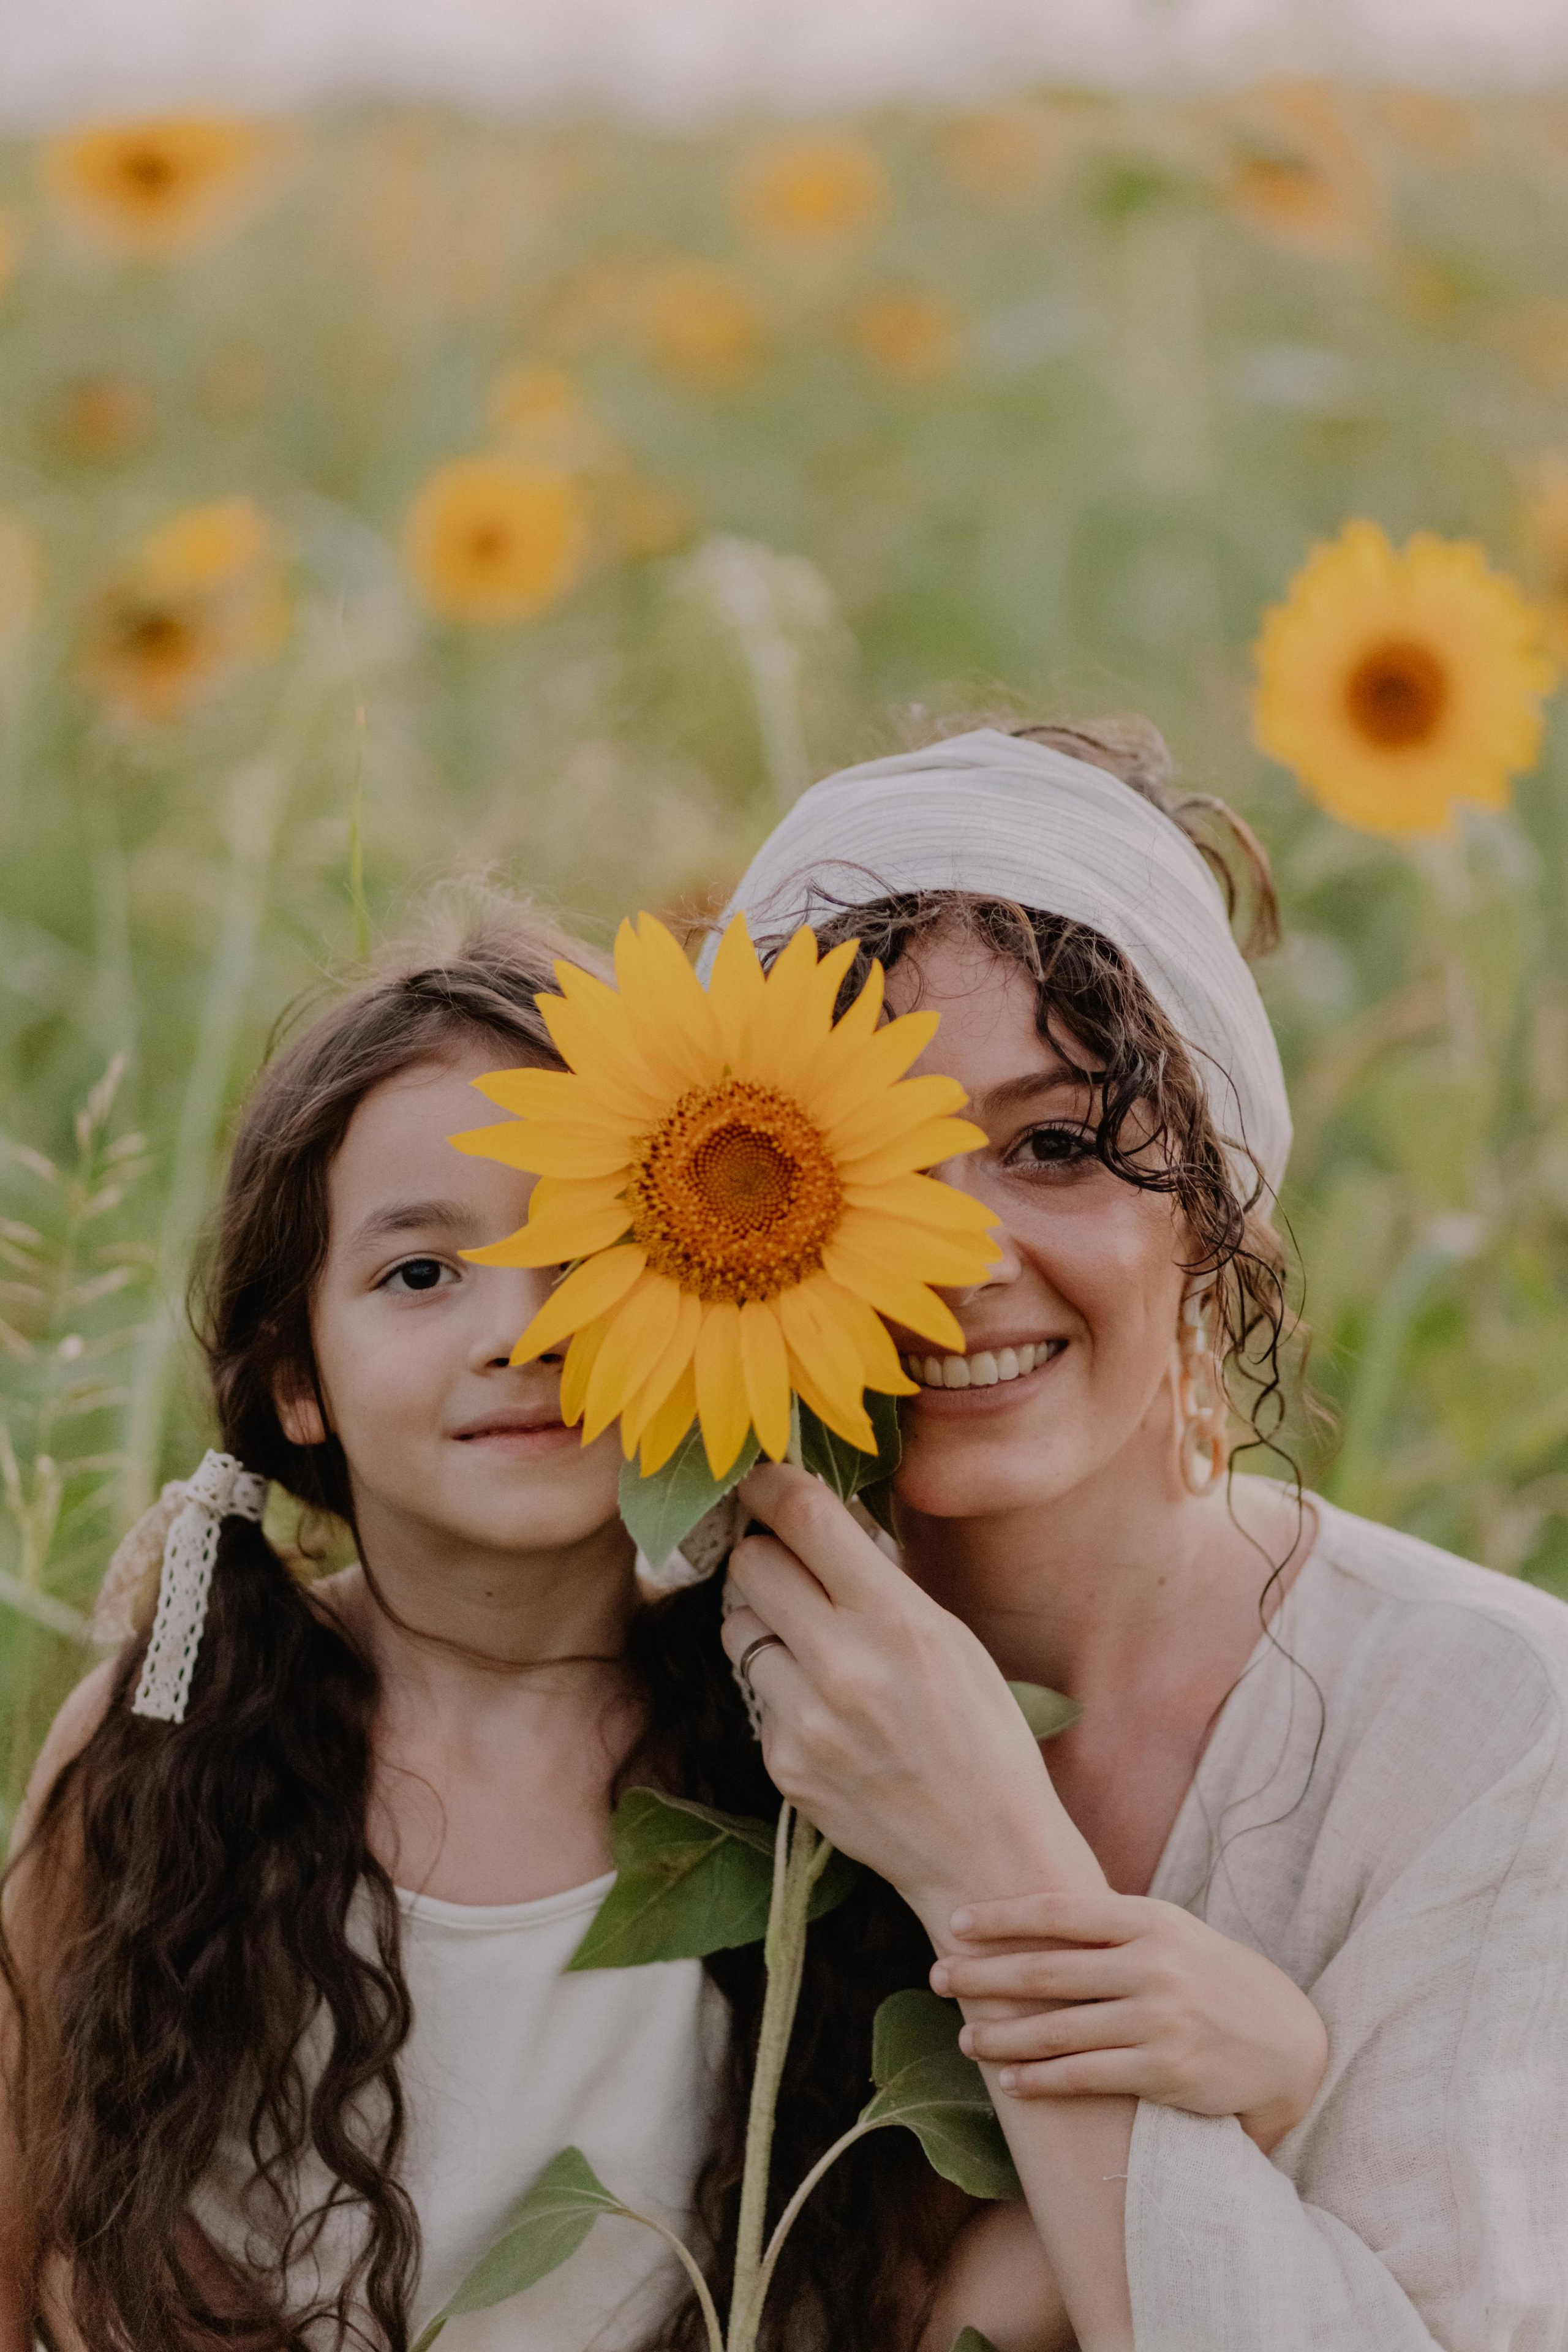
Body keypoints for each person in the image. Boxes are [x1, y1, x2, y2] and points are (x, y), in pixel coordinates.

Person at [0, 900, 976, 2352]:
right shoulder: (171, 1723)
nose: (517, 1330)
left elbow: (919, 2270)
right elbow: (24, 2228)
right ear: (295, 1381)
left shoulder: (790, 1747)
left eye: (581, 1254)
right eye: (416, 1273)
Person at [715, 718, 1568, 2351]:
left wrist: (990, 1863)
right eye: (871, 1159)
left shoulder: (1482, 1728)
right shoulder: (650, 1679)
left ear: (1214, 1210)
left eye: (1055, 1145)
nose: (962, 1260)